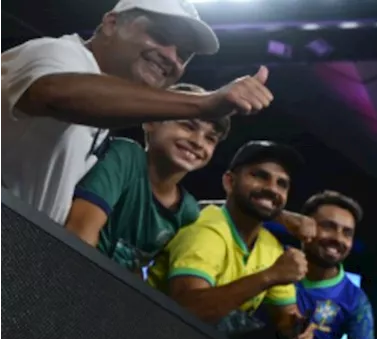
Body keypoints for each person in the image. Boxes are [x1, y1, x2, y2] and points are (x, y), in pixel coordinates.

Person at [0, 0, 274, 223]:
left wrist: (276, 216)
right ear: (111, 23)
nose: (171, 56)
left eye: (184, 54)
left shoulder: (106, 101)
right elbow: (55, 94)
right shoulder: (57, 53)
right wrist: (204, 104)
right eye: (161, 36)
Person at [147, 140, 312, 339]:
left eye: (282, 184)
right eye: (259, 176)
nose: (272, 188)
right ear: (229, 182)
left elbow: (286, 315)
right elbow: (187, 309)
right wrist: (270, 276)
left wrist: (296, 329)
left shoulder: (271, 247)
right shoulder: (206, 228)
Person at [64, 83, 227, 272]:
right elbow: (79, 234)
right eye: (187, 126)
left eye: (210, 139)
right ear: (151, 122)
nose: (198, 142)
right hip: (76, 276)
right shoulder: (126, 156)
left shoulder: (188, 211)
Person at [277, 190, 377, 339]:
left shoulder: (355, 300)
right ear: (304, 225)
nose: (338, 238)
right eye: (328, 226)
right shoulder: (272, 258)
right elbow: (210, 211)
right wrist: (279, 216)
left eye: (347, 233)